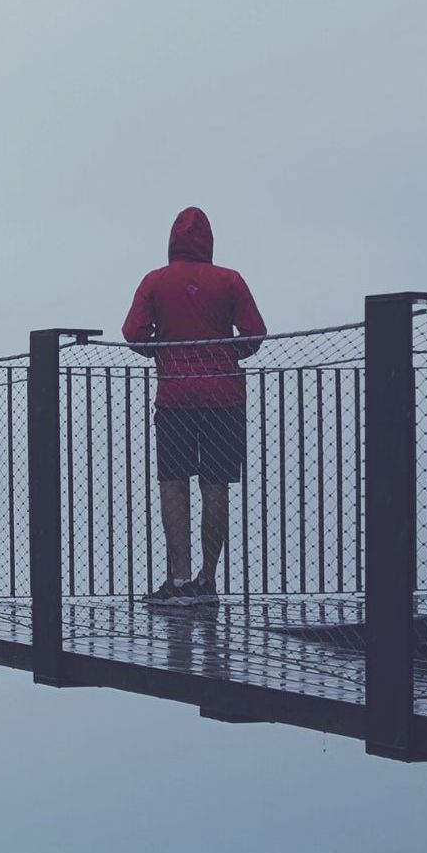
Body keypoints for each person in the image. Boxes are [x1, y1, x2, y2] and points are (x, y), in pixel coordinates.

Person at [122, 206, 265, 606]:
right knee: (215, 483)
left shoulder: (156, 281)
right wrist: (226, 353)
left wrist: (160, 349)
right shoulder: (230, 281)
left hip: (174, 396)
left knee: (173, 482)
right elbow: (255, 333)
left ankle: (179, 579)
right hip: (225, 396)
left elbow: (133, 332)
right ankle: (207, 579)